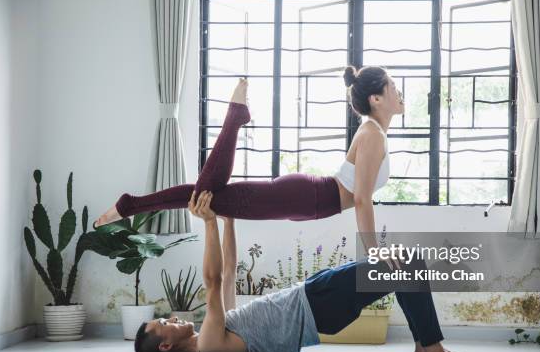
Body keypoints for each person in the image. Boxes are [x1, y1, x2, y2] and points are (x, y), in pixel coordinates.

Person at [133, 190, 481, 352]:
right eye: (164, 323)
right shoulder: (208, 347)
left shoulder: (216, 332)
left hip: (315, 296)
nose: (172, 317)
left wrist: (228, 221)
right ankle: (432, 350)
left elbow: (228, 275)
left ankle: (424, 348)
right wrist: (208, 223)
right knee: (406, 262)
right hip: (317, 304)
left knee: (404, 267)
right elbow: (212, 281)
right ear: (165, 346)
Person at [94, 66, 403, 263]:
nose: (399, 91)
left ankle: (236, 116)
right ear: (376, 99)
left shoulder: (374, 133)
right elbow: (362, 199)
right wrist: (374, 250)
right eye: (392, 85)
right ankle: (235, 116)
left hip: (308, 200)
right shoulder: (373, 134)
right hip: (305, 197)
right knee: (209, 196)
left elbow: (361, 197)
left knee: (207, 193)